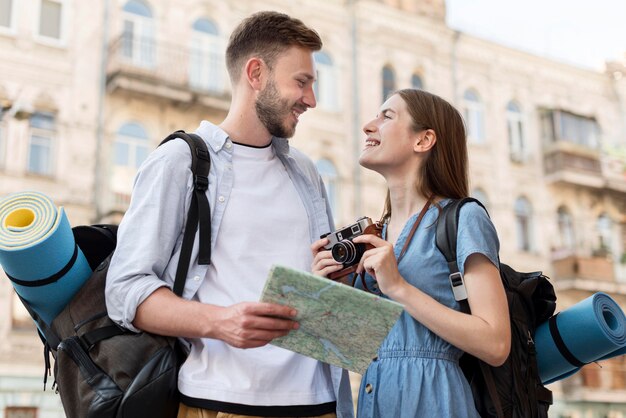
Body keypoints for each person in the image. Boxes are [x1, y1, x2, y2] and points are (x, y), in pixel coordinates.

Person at [106, 11, 353, 418]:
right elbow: (125, 290)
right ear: (256, 73)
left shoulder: (308, 173)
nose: (311, 99)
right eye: (302, 82)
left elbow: (317, 291)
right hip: (219, 403)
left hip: (319, 403)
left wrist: (340, 279)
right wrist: (218, 321)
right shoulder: (179, 162)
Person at [311, 89, 511, 417]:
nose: (368, 126)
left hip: (437, 403)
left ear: (423, 140)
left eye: (386, 116)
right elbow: (357, 350)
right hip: (376, 401)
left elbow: (496, 344)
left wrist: (399, 288)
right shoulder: (376, 233)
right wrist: (327, 296)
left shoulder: (464, 218)